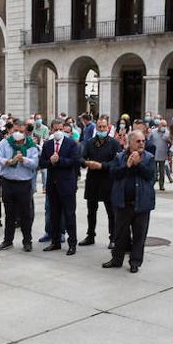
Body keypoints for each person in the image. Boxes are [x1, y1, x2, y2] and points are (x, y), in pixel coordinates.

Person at [103, 129, 156, 273]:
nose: (141, 144)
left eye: (143, 141)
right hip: (122, 203)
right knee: (120, 234)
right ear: (130, 142)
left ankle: (135, 262)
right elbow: (114, 174)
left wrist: (138, 164)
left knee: (139, 235)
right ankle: (116, 259)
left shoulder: (149, 157)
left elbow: (151, 176)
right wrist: (127, 166)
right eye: (138, 141)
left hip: (141, 203)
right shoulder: (120, 157)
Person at [39, 122, 80, 255]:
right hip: (53, 185)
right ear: (51, 130)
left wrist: (59, 160)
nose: (58, 131)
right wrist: (50, 161)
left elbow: (74, 161)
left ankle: (72, 244)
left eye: (61, 129)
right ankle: (55, 242)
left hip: (67, 185)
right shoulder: (47, 144)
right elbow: (42, 163)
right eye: (56, 129)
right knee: (54, 215)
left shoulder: (71, 144)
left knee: (69, 214)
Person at [0, 122, 38, 252]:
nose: (18, 133)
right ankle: (8, 240)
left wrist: (23, 160)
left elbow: (35, 163)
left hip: (24, 183)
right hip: (8, 182)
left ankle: (27, 241)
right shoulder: (5, 143)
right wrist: (7, 161)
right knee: (9, 213)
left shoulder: (31, 145)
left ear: (25, 132)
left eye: (21, 131)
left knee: (26, 213)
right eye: (16, 130)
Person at [81, 117, 120, 247]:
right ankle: (90, 235)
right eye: (99, 127)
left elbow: (117, 162)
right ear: (96, 128)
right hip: (92, 180)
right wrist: (86, 163)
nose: (102, 129)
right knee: (91, 211)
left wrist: (102, 165)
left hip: (108, 180)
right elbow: (81, 158)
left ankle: (113, 238)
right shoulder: (89, 142)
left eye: (104, 127)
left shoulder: (114, 143)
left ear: (108, 127)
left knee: (111, 212)